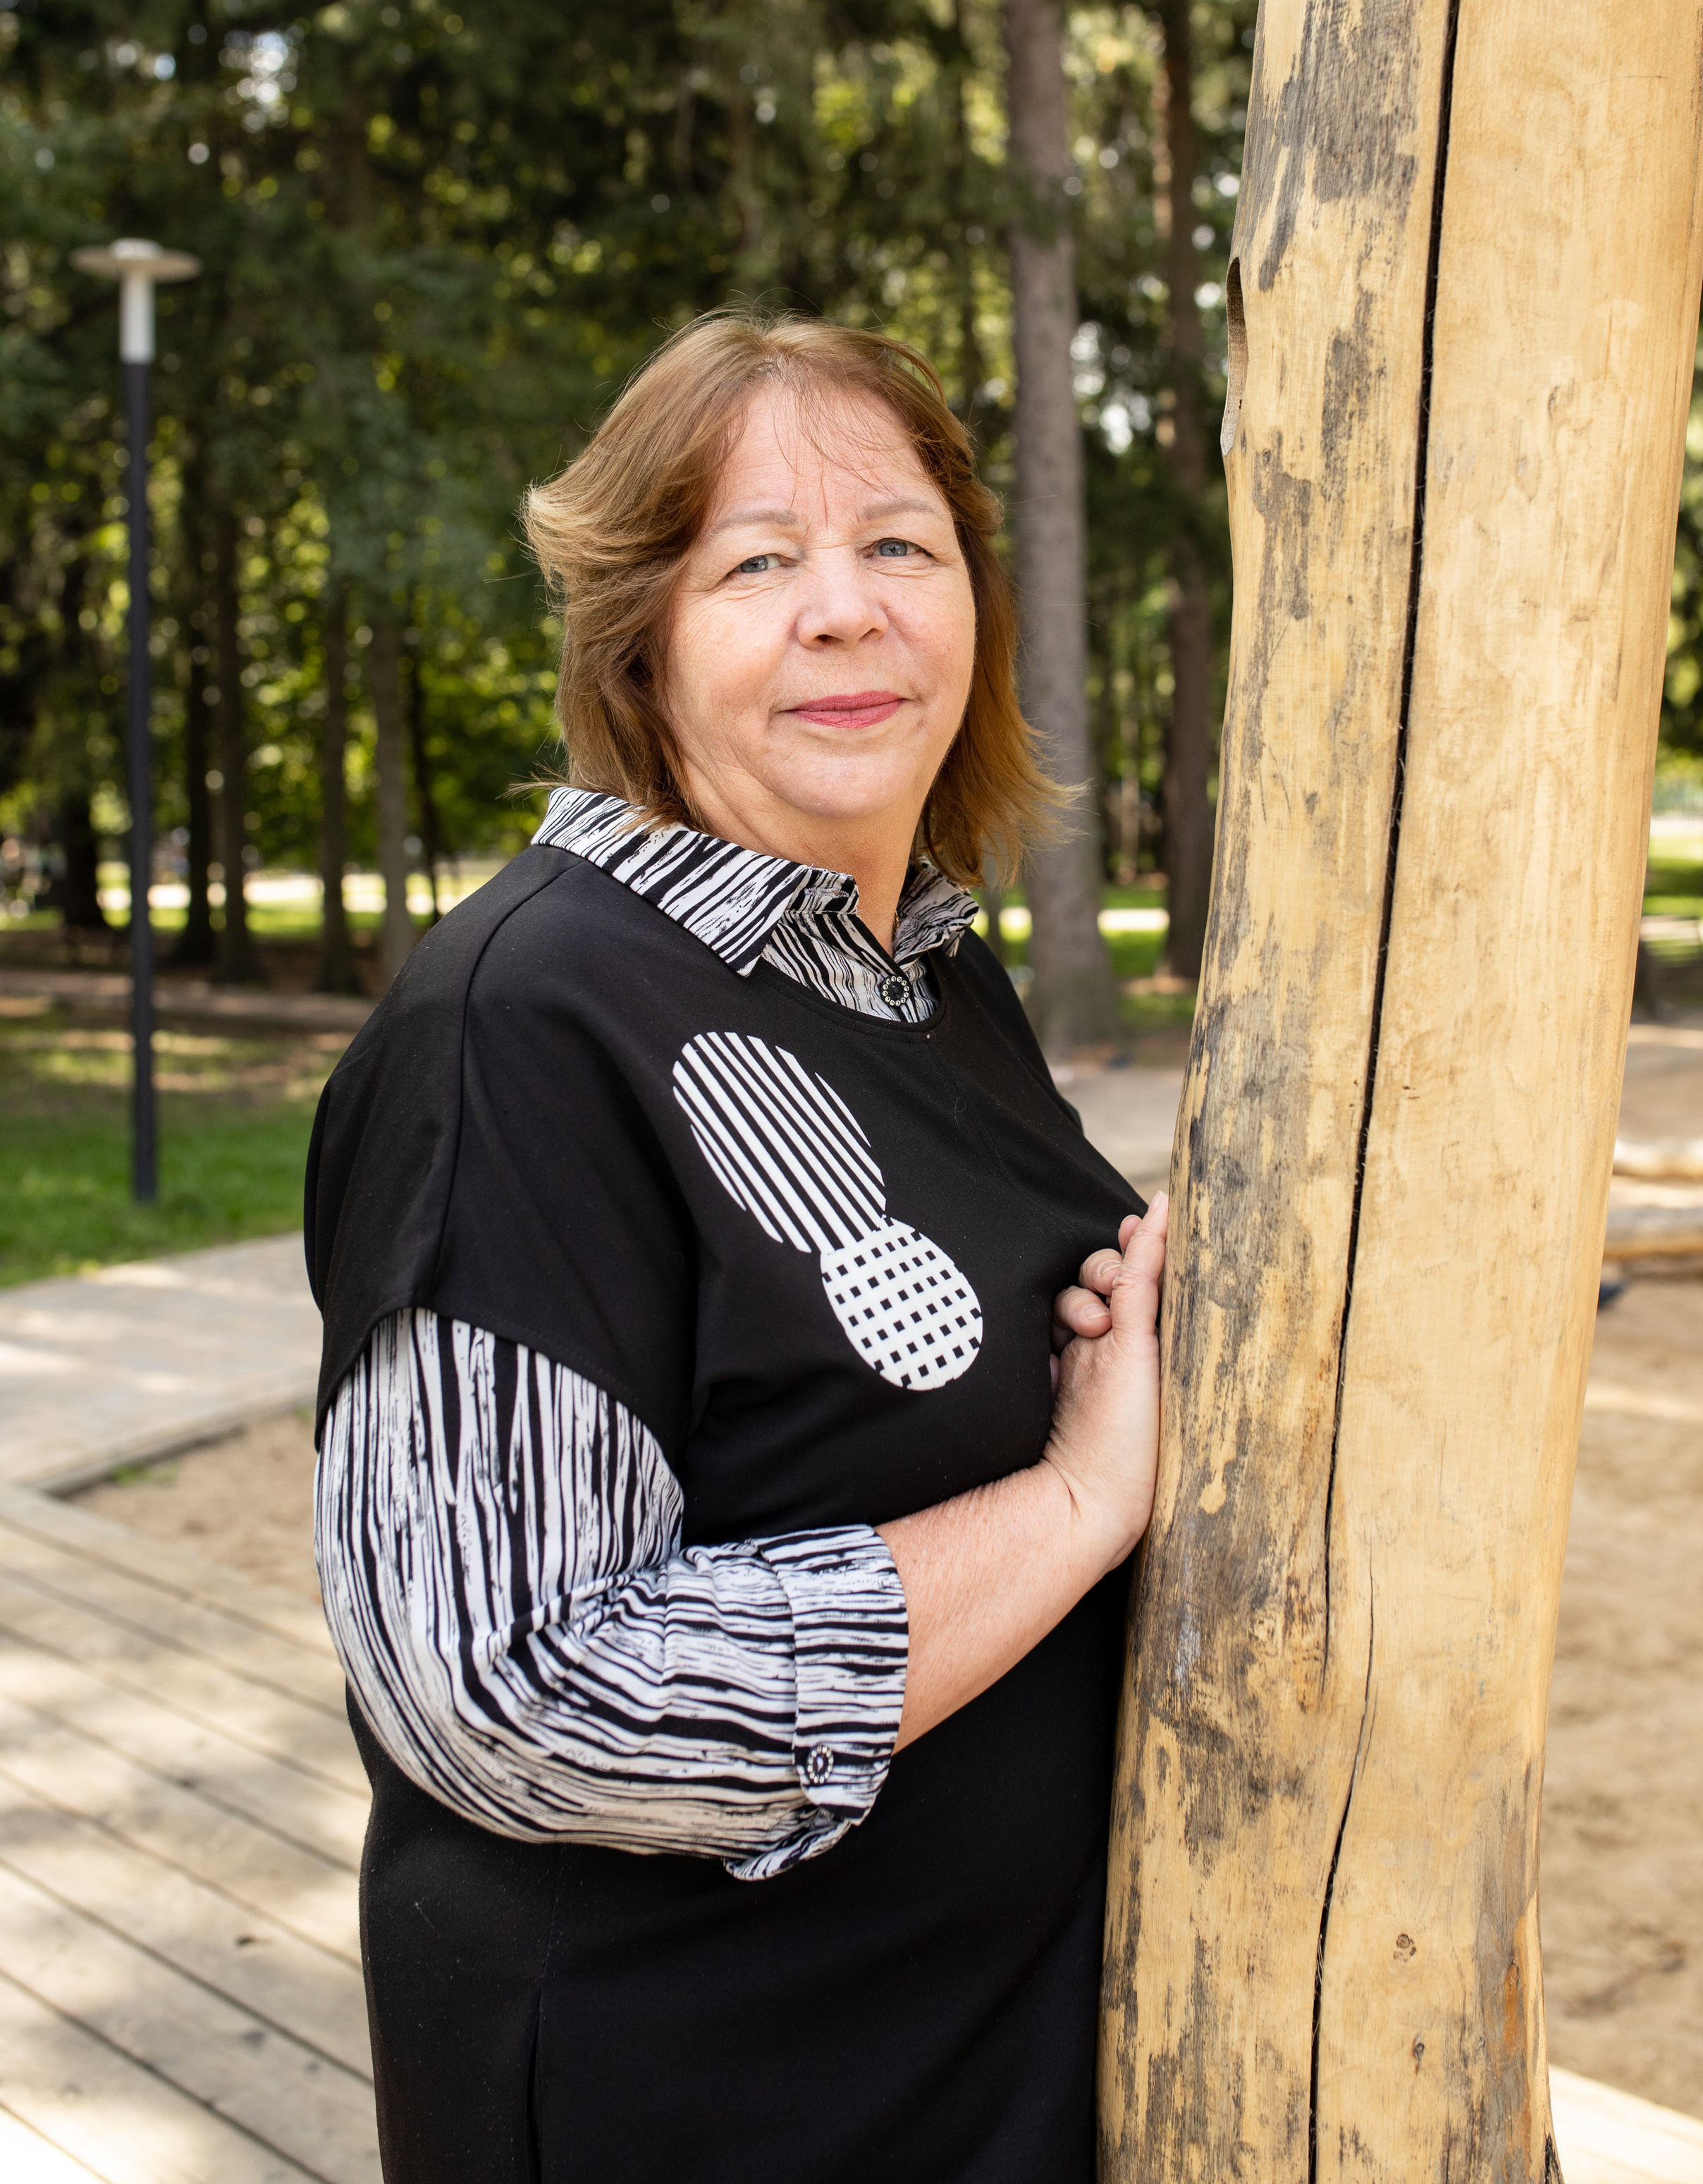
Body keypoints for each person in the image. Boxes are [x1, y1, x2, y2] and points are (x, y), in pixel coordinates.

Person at [307, 312, 1168, 2184]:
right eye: (756, 561)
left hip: (951, 2087)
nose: (843, 611)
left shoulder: (930, 982)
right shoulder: (519, 1026)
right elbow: (512, 1690)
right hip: (699, 2108)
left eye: (898, 547)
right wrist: (1083, 1503)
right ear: (640, 640)